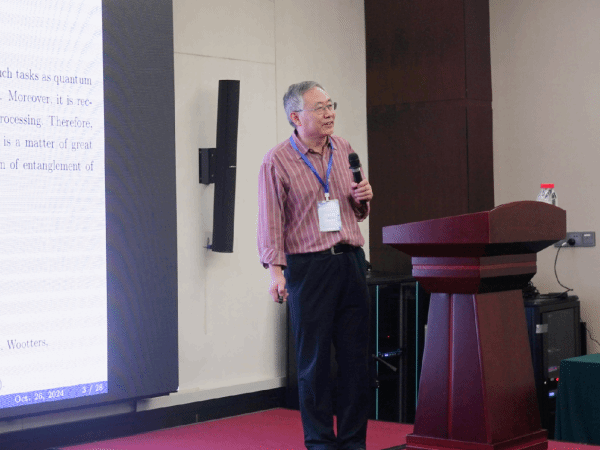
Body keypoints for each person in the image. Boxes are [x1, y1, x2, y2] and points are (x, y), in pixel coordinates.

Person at [257, 81, 373, 450]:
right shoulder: (277, 160)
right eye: (320, 108)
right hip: (309, 268)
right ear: (296, 117)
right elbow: (271, 221)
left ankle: (353, 442)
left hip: (350, 261)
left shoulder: (344, 148)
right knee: (314, 362)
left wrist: (363, 198)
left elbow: (357, 212)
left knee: (356, 361)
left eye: (331, 105)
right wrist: (275, 272)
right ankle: (320, 442)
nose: (329, 113)